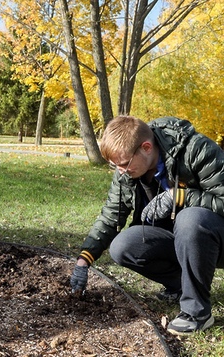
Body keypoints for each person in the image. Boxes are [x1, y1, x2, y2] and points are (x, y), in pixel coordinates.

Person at [70, 115, 224, 336]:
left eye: (124, 164)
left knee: (190, 219)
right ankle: (182, 286)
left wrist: (179, 197)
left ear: (146, 147)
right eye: (116, 166)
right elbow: (111, 215)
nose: (121, 171)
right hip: (180, 240)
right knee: (123, 245)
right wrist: (84, 259)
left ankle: (196, 313)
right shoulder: (127, 170)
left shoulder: (196, 150)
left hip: (214, 237)